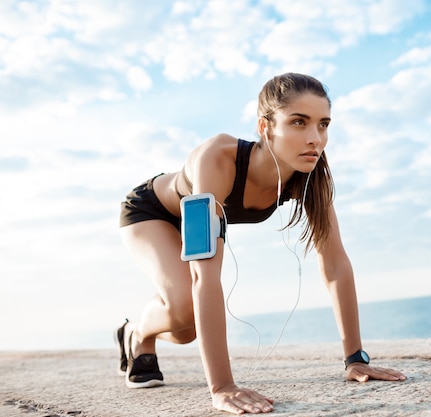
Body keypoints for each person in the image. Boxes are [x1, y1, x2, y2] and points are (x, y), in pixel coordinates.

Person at [116, 72, 407, 415]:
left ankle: (138, 333)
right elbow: (204, 277)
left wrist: (355, 359)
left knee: (186, 332)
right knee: (184, 303)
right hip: (152, 213)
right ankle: (136, 334)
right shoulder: (216, 160)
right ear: (265, 126)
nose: (315, 138)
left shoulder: (310, 177)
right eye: (299, 122)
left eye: (323, 124)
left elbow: (335, 264)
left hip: (184, 224)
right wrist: (222, 386)